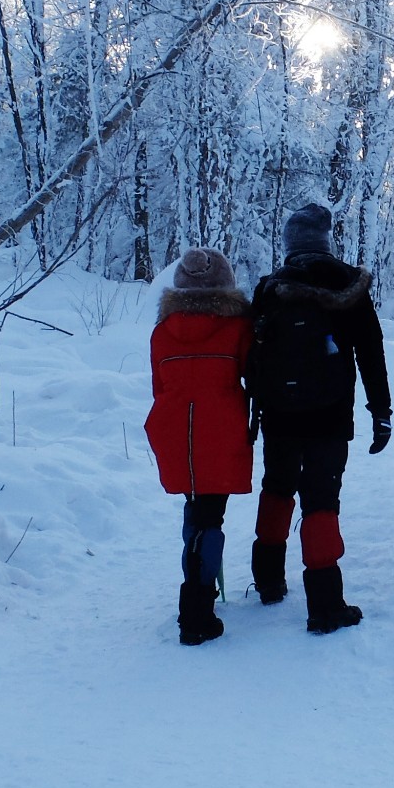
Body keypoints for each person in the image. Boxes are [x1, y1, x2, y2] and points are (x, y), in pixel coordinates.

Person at [247, 203, 392, 634]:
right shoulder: (347, 285)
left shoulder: (270, 289)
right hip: (330, 414)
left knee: (277, 488)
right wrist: (380, 411)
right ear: (325, 243)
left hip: (279, 413)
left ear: (290, 246)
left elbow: (250, 357)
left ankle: (269, 582)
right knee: (321, 500)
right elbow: (371, 353)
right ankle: (326, 607)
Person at [143, 248, 254, 646]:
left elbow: (158, 384)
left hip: (172, 428)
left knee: (195, 508)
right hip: (219, 429)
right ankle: (196, 611)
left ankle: (198, 593)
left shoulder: (163, 330)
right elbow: (251, 376)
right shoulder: (238, 328)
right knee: (211, 517)